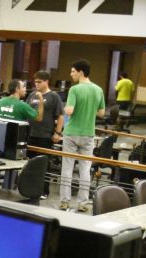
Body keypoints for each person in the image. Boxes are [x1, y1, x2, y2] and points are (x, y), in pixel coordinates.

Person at [59, 59, 105, 212]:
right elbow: (101, 113)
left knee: (67, 168)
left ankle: (65, 201)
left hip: (72, 133)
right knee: (85, 169)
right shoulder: (98, 90)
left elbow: (69, 111)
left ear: (80, 72)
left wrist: (65, 108)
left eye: (73, 71)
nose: (71, 74)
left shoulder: (74, 89)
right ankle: (83, 203)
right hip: (88, 134)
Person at [28, 71, 65, 197]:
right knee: (29, 163)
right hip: (30, 134)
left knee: (44, 165)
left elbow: (60, 116)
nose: (36, 84)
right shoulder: (32, 95)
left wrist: (58, 133)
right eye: (35, 82)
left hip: (45, 135)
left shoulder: (54, 96)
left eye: (39, 82)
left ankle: (44, 191)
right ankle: (29, 188)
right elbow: (26, 111)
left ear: (46, 81)